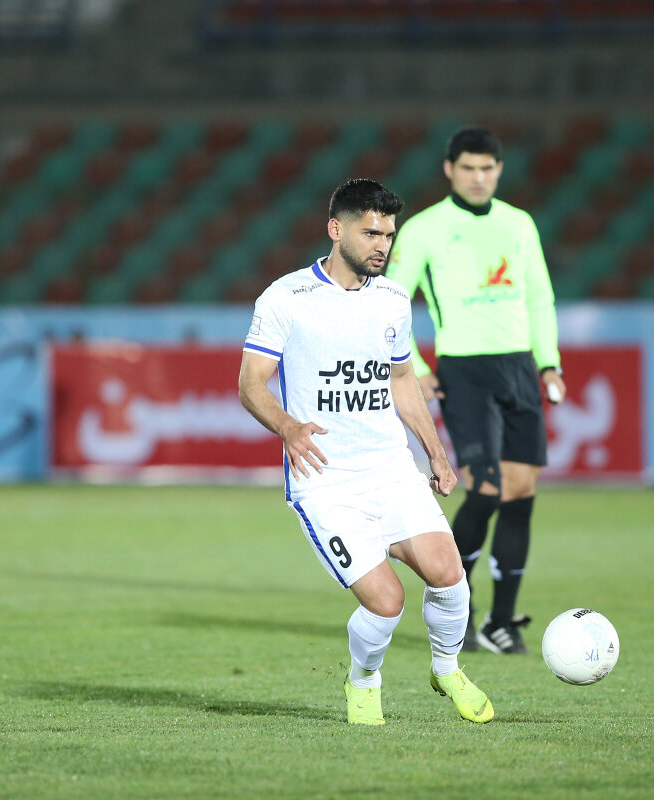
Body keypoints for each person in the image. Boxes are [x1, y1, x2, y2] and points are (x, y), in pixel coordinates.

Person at [239, 178, 493, 725]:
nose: (383, 245)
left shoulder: (394, 299)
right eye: (371, 233)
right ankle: (363, 680)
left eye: (389, 235)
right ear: (336, 229)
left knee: (450, 576)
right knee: (386, 601)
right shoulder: (286, 297)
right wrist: (287, 426)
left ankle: (447, 669)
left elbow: (402, 379)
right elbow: (251, 383)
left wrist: (435, 452)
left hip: (391, 469)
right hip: (326, 480)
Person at [386, 127, 566, 655]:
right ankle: (455, 608)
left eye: (487, 168)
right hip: (464, 371)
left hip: (519, 367)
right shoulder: (425, 229)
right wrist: (417, 366)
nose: (478, 177)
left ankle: (501, 622)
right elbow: (391, 301)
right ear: (450, 170)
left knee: (520, 494)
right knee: (484, 491)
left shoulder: (519, 224)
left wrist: (549, 363)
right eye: (468, 168)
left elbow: (540, 298)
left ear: (499, 170)